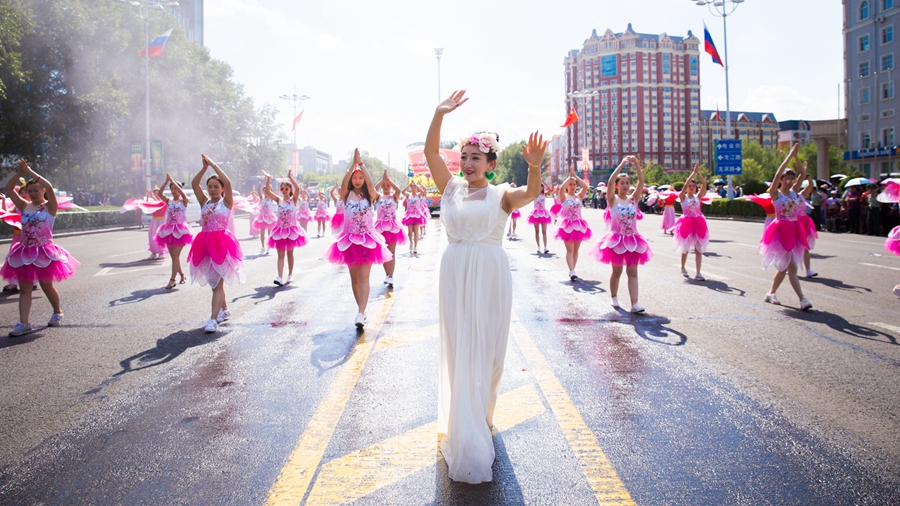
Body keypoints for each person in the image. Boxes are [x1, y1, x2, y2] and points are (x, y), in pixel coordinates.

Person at [425, 90, 547, 484]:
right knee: (460, 345)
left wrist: (534, 167)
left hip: (490, 275)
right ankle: (465, 420)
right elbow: (430, 154)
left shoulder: (500, 194)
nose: (468, 163)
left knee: (488, 348)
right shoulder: (452, 188)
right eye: (465, 157)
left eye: (477, 157)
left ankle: (484, 415)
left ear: (491, 163)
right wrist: (438, 114)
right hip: (455, 271)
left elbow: (532, 194)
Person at [1, 160, 79, 336]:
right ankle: (24, 323)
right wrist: (20, 173)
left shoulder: (50, 207)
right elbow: (8, 187)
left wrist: (29, 171)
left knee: (46, 286)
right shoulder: (24, 205)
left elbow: (50, 187)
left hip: (44, 252)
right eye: (30, 191)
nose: (33, 193)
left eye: (36, 190)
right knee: (25, 288)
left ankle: (57, 312)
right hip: (25, 252)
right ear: (26, 193)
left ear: (42, 191)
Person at [325, 149, 392, 327]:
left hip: (368, 241)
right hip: (349, 241)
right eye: (355, 177)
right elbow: (346, 181)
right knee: (354, 278)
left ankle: (361, 313)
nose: (357, 180)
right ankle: (359, 309)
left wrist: (361, 164)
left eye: (360, 177)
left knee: (364, 277)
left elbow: (370, 182)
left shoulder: (370, 195)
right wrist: (351, 167)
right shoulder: (345, 195)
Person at [187, 154, 245, 332]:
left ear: (221, 189)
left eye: (215, 187)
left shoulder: (226, 203)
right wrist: (204, 169)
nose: (212, 190)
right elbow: (194, 184)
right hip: (204, 244)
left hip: (221, 244)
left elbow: (228, 183)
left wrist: (213, 165)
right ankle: (224, 309)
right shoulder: (204, 201)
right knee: (214, 280)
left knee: (217, 282)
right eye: (210, 187)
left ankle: (213, 319)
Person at [590, 156, 651, 313]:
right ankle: (614, 296)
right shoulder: (612, 200)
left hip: (633, 240)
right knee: (617, 271)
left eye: (627, 183)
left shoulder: (633, 200)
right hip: (616, 240)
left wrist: (637, 164)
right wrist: (622, 164)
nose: (625, 185)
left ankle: (634, 304)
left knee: (632, 271)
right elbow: (609, 182)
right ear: (616, 186)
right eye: (622, 183)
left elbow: (642, 182)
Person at [759, 144, 812, 310]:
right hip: (780, 231)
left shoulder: (795, 192)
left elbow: (803, 174)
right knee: (790, 267)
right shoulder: (776, 193)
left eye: (792, 179)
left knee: (785, 268)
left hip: (794, 230)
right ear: (781, 180)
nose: (789, 182)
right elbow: (776, 175)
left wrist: (796, 157)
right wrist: (789, 156)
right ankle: (802, 298)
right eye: (786, 179)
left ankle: (771, 293)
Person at [263, 170, 307, 286]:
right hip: (280, 231)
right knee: (280, 255)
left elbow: (297, 189)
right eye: (282, 189)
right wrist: (268, 179)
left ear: (290, 190)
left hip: (291, 230)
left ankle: (290, 274)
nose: (283, 191)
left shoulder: (294, 200)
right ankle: (279, 277)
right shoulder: (278, 200)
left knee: (289, 254)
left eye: (286, 189)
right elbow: (268, 191)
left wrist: (290, 177)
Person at [154, 173, 194, 289]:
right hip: (168, 231)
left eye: (176, 188)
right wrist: (167, 182)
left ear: (180, 189)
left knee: (176, 256)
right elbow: (160, 194)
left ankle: (172, 280)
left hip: (180, 232)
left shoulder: (184, 200)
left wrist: (173, 181)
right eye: (172, 189)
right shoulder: (169, 201)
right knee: (174, 257)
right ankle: (182, 275)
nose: (173, 190)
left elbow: (183, 194)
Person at [671, 164, 709, 280]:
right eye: (689, 185)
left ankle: (698, 272)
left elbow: (705, 185)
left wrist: (698, 174)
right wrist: (692, 173)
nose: (691, 187)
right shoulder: (683, 197)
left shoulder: (698, 197)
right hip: (686, 223)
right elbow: (682, 189)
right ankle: (682, 267)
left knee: (698, 249)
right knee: (686, 249)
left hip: (698, 223)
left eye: (693, 185)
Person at [555, 166, 592, 281]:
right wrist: (569, 177)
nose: (572, 186)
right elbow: (561, 188)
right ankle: (571, 271)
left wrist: (575, 176)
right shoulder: (563, 197)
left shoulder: (579, 196)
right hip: (567, 226)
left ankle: (573, 269)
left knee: (576, 249)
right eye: (570, 184)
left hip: (579, 225)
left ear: (576, 186)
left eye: (574, 184)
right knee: (570, 249)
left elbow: (585, 186)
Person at [374, 171, 406, 287]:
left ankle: (391, 276)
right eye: (384, 185)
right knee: (383, 252)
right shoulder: (377, 197)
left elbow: (399, 190)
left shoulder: (394, 196)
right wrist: (382, 181)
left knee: (392, 252)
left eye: (388, 185)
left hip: (392, 228)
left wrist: (389, 180)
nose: (386, 187)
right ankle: (387, 274)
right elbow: (372, 189)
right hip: (380, 228)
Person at [527, 182, 553, 254]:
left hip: (544, 213)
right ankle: (538, 246)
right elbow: (529, 188)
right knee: (537, 231)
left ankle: (545, 247)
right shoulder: (534, 195)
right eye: (538, 186)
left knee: (544, 231)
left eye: (541, 187)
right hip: (535, 214)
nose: (540, 188)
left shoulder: (544, 194)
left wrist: (543, 182)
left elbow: (550, 190)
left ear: (542, 188)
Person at [253, 185, 277, 254]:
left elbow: (272, 191)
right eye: (264, 190)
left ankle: (268, 247)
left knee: (269, 233)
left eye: (267, 190)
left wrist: (268, 184)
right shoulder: (262, 198)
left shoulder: (271, 198)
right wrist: (259, 185)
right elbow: (259, 192)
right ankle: (263, 247)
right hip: (262, 217)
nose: (265, 191)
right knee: (262, 233)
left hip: (270, 217)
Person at [401, 183, 421, 255]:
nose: (413, 189)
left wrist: (416, 185)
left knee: (416, 232)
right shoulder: (408, 195)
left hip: (417, 215)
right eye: (412, 187)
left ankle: (415, 247)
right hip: (409, 215)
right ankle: (411, 243)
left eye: (414, 187)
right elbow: (402, 192)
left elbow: (423, 191)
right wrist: (408, 184)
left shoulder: (418, 195)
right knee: (410, 233)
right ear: (410, 188)